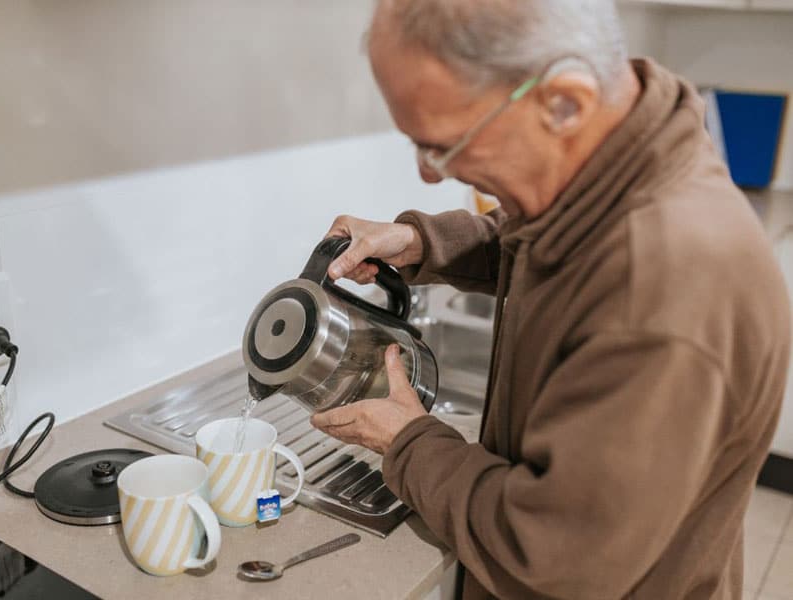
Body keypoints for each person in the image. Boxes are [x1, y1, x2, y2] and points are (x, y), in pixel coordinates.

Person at [308, 1, 791, 598]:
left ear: (565, 102)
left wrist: (408, 442)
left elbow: (556, 553)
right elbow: (540, 243)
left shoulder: (663, 297)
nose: (430, 174)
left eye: (444, 145)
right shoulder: (620, 166)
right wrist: (420, 241)